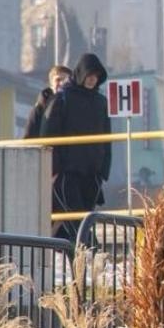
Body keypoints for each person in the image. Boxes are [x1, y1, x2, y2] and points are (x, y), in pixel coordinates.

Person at [40, 53, 110, 242]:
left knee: (83, 218)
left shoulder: (100, 102)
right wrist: (52, 169)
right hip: (66, 172)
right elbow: (48, 135)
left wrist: (103, 171)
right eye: (89, 75)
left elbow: (107, 136)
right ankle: (92, 255)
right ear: (81, 74)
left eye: (95, 76)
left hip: (92, 173)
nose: (92, 79)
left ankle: (84, 259)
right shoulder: (63, 98)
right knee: (76, 220)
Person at [24, 64, 72, 140]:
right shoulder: (39, 108)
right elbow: (29, 137)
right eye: (58, 80)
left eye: (66, 81)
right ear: (51, 84)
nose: (62, 84)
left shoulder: (75, 107)